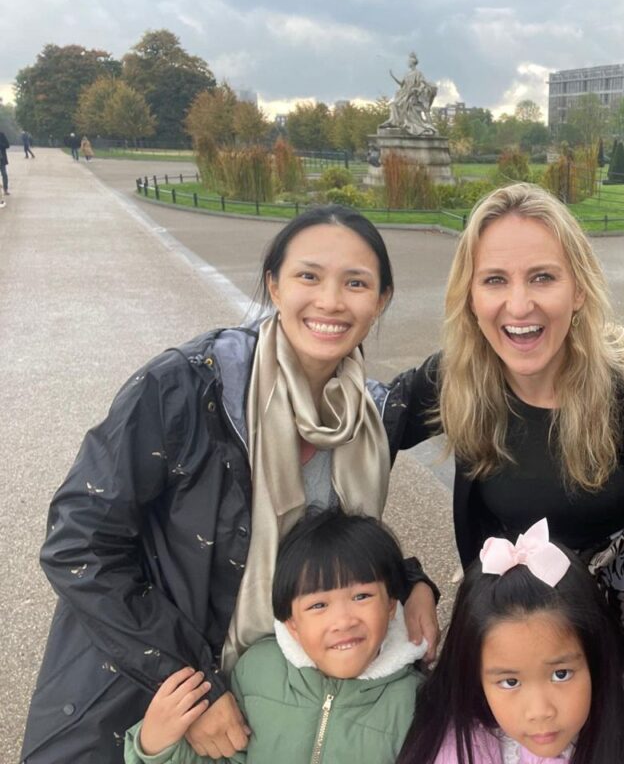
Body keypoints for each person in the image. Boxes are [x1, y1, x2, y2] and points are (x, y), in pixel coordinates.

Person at [21, 206, 440, 764]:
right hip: (147, 694)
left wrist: (408, 580)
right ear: (274, 284)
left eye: (356, 283)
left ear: (382, 299)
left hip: (277, 710)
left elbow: (326, 547)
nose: (331, 301)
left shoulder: (368, 417)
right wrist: (193, 684)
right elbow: (79, 544)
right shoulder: (187, 389)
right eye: (308, 276)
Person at [385, 183, 624, 670]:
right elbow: (347, 447)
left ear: (578, 290)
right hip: (508, 653)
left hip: (622, 658)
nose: (518, 305)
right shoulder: (455, 379)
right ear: (470, 296)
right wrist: (408, 580)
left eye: (542, 277)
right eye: (494, 280)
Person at [123, 510, 426, 763]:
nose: (343, 621)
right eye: (318, 605)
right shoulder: (258, 670)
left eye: (361, 596)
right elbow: (224, 757)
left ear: (391, 606)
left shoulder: (416, 702)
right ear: (291, 623)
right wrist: (155, 748)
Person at [398, 518, 624, 764]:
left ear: (595, 659)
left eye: (561, 674)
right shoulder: (454, 753)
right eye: (510, 682)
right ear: (474, 677)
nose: (540, 711)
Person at [382, 51, 438, 136]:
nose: (407, 63)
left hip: (412, 94)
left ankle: (406, 123)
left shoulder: (418, 73)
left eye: (409, 61)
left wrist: (418, 89)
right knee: (393, 104)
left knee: (403, 103)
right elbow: (401, 84)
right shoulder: (407, 74)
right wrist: (393, 76)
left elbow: (422, 83)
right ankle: (395, 122)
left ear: (412, 63)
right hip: (404, 93)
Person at [0, 129, 10, 195]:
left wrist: (0, 144)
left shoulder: (1, 135)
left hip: (1, 159)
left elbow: (7, 145)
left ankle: (5, 190)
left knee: (4, 175)